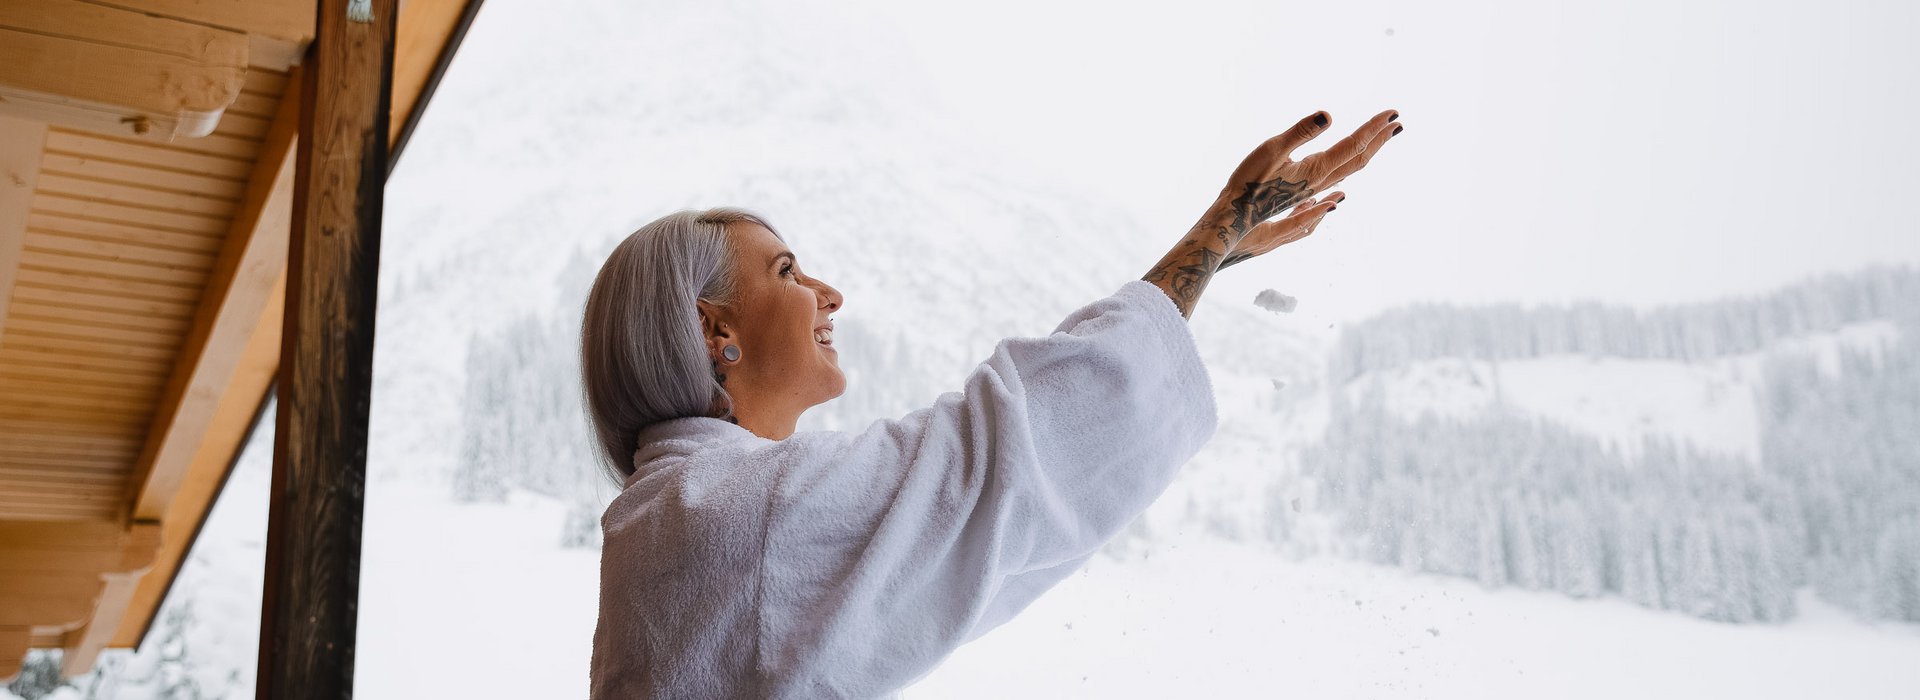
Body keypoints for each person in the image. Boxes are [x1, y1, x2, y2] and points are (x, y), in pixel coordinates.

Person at [583, 109, 1406, 698]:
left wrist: (1211, 257)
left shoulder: (667, 517)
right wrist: (1218, 227)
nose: (830, 294)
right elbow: (1010, 449)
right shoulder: (729, 513)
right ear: (714, 326)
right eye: (790, 272)